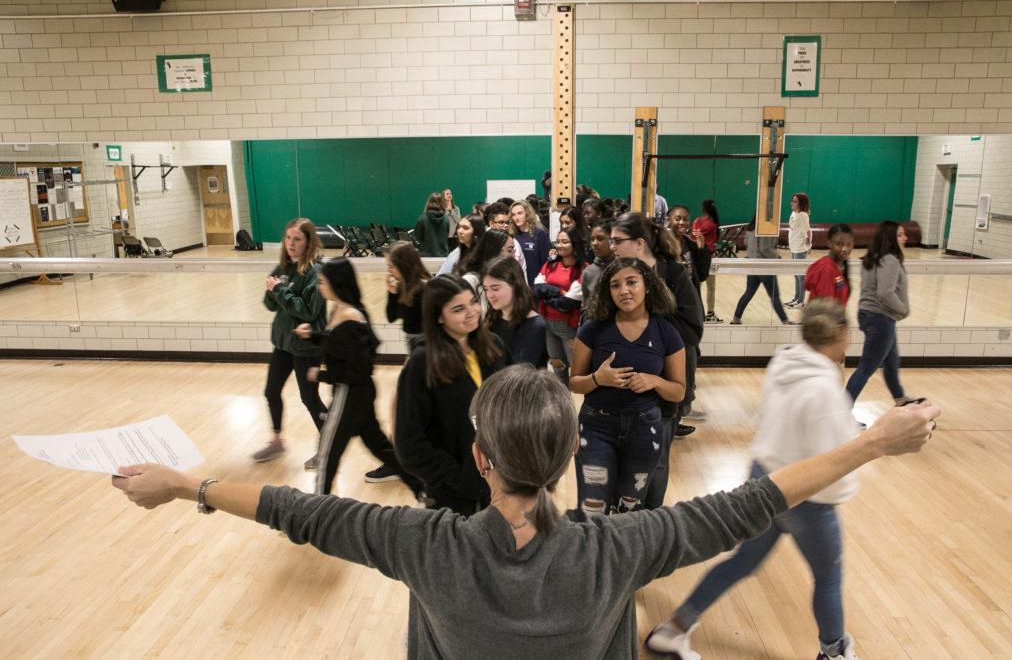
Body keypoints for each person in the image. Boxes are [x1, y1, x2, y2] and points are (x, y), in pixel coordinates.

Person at [113, 367, 939, 658]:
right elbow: (759, 500)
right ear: (564, 461)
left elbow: (296, 509)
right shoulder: (623, 547)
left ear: (480, 459)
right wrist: (875, 441)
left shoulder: (418, 540)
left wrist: (185, 485)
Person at [646, 299, 867, 660]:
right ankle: (835, 651)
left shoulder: (783, 364)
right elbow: (835, 465)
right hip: (804, 495)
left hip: (764, 482)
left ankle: (673, 630)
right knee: (828, 576)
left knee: (743, 561)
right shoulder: (825, 391)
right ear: (842, 334)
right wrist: (843, 491)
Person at [293, 257, 421, 496]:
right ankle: (423, 488)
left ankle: (316, 511)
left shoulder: (350, 316)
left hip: (350, 393)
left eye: (323, 282)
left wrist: (322, 374)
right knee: (380, 447)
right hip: (358, 392)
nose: (320, 286)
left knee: (327, 450)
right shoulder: (344, 309)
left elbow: (358, 366)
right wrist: (313, 335)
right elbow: (337, 344)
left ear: (336, 283)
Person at [569, 257, 686, 515]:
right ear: (607, 292)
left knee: (629, 508)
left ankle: (623, 554)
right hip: (596, 427)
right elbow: (575, 383)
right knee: (593, 508)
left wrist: (654, 381)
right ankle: (594, 554)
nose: (624, 290)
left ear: (647, 286)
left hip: (645, 429)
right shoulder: (593, 329)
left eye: (631, 282)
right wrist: (599, 378)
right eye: (615, 285)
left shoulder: (666, 332)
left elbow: (678, 390)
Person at [392, 275, 508, 515]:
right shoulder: (422, 364)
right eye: (458, 309)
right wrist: (466, 481)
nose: (471, 311)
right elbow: (409, 446)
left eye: (473, 302)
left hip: (504, 485)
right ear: (438, 317)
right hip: (454, 498)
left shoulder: (494, 346)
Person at [609, 213, 704, 451]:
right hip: (623, 388)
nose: (612, 247)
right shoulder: (614, 275)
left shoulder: (674, 274)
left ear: (640, 243)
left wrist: (649, 312)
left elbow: (692, 331)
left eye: (618, 241)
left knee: (655, 460)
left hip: (663, 385)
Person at [254, 217, 328, 468]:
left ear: (308, 242)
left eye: (297, 239)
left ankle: (328, 448)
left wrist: (281, 291)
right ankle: (276, 441)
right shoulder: (282, 269)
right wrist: (271, 291)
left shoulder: (315, 273)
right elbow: (270, 305)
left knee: (310, 398)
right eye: (287, 238)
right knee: (271, 391)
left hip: (307, 347)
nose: (291, 244)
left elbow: (307, 311)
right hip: (284, 344)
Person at [845, 221, 917, 409]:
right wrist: (902, 308)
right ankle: (841, 412)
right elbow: (885, 292)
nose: (905, 238)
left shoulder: (871, 258)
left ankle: (900, 398)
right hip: (881, 319)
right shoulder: (890, 259)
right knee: (866, 368)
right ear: (891, 237)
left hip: (870, 316)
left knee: (892, 362)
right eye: (900, 234)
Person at [534, 227, 588, 386]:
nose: (560, 245)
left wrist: (547, 295)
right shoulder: (550, 265)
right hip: (548, 324)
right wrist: (559, 291)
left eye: (565, 241)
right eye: (557, 241)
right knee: (558, 366)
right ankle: (562, 402)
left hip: (569, 326)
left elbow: (567, 304)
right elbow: (536, 289)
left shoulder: (583, 269)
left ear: (575, 244)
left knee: (576, 369)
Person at [483, 256, 547, 369]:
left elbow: (517, 375)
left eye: (495, 288)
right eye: (486, 289)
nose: (489, 295)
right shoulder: (493, 317)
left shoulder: (534, 326)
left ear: (515, 285)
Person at [731, 218, 793, 326]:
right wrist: (777, 257)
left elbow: (746, 242)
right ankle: (785, 321)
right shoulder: (766, 228)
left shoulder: (751, 228)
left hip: (752, 265)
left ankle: (736, 318)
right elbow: (765, 248)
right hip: (764, 267)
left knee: (748, 293)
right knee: (775, 295)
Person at [385, 241, 429, 349]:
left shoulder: (421, 289)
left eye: (391, 266)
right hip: (413, 338)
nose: (389, 271)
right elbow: (391, 317)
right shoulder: (402, 285)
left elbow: (407, 316)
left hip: (424, 340)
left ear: (403, 265)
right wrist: (392, 292)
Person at [666, 205, 711, 302]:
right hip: (669, 302)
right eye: (677, 219)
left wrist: (701, 249)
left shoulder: (690, 245)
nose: (682, 222)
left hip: (689, 300)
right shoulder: (661, 245)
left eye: (685, 219)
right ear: (669, 220)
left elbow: (702, 275)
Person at [806, 224, 855, 306]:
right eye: (839, 244)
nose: (845, 249)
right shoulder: (826, 269)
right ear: (829, 243)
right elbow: (825, 308)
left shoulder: (841, 266)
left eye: (849, 244)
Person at [458, 228, 515, 297]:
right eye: (509, 250)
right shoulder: (471, 280)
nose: (513, 256)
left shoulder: (507, 276)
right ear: (495, 251)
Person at [692, 200, 722, 323]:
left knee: (696, 287)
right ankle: (710, 312)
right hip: (708, 258)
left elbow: (694, 238)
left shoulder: (696, 221)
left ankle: (695, 312)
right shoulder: (712, 225)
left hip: (696, 257)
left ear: (703, 208)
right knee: (711, 288)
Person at [510, 199, 551, 285]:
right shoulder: (512, 236)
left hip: (535, 284)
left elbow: (546, 263)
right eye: (513, 215)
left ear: (527, 214)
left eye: (520, 213)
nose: (516, 217)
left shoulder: (539, 234)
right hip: (518, 283)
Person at [485, 202, 528, 278]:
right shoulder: (482, 241)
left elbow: (522, 271)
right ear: (491, 224)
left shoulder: (514, 243)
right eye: (501, 222)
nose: (505, 226)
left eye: (508, 222)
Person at [787, 192, 812, 308]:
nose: (792, 203)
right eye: (792, 200)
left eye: (795, 201)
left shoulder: (803, 215)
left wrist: (808, 245)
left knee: (800, 275)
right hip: (793, 247)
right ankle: (796, 298)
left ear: (801, 202)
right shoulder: (794, 213)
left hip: (800, 248)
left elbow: (807, 231)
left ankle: (801, 301)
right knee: (795, 274)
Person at [580, 220, 614, 308]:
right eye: (592, 239)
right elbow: (585, 305)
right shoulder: (588, 272)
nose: (594, 243)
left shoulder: (623, 268)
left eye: (600, 238)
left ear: (613, 240)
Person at [413, 192, 450, 257]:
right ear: (442, 203)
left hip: (425, 257)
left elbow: (416, 239)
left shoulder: (422, 219)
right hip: (443, 257)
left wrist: (422, 248)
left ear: (428, 202)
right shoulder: (446, 219)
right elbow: (446, 236)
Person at [442, 188, 461, 252]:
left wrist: (451, 212)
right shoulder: (441, 208)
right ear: (443, 197)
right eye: (447, 194)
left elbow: (459, 220)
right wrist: (447, 210)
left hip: (454, 236)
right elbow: (442, 219)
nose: (449, 195)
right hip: (443, 236)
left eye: (450, 193)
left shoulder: (456, 208)